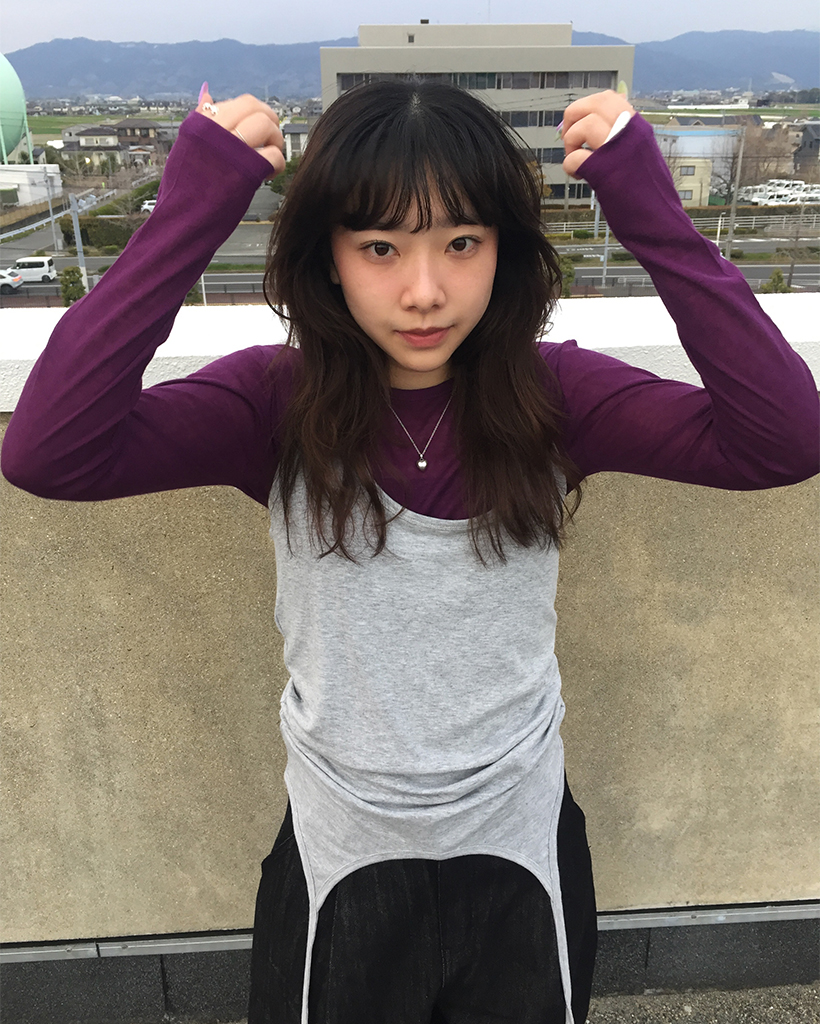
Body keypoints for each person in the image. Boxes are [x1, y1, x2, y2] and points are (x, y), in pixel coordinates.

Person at [2, 81, 817, 1024]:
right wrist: (192, 209)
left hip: (520, 843)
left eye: (461, 244)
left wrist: (653, 215)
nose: (424, 291)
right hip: (339, 849)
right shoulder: (275, 404)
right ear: (330, 257)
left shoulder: (552, 396)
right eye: (380, 248)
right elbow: (49, 453)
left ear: (504, 251)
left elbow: (785, 439)